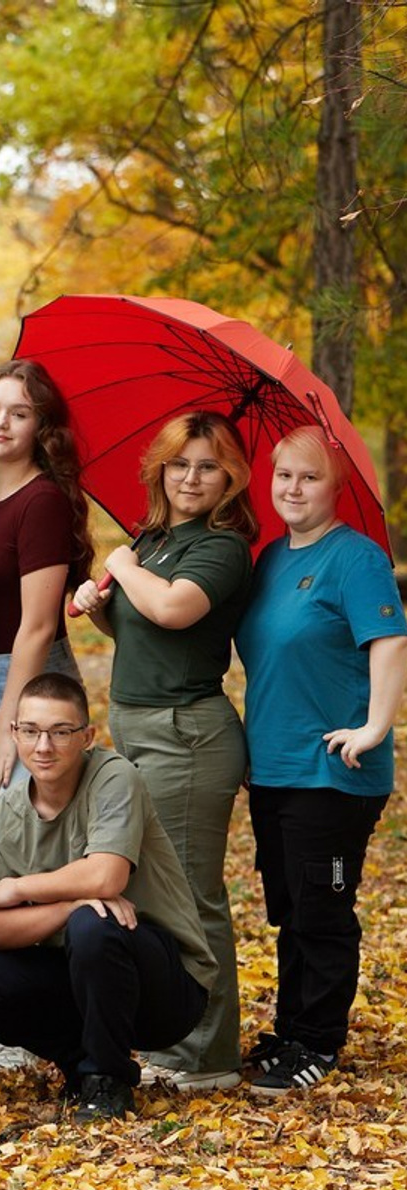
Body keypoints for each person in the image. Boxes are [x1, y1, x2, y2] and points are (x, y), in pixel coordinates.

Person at [71, 410, 257, 1093]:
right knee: (155, 888)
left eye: (207, 466)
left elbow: (175, 612)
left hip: (187, 734)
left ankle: (207, 1057)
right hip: (137, 726)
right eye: (180, 464)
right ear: (160, 469)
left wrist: (117, 562)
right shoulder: (153, 541)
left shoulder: (222, 547)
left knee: (192, 896)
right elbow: (144, 634)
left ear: (228, 478)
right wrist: (96, 603)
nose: (191, 477)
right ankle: (177, 1037)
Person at [0, 673, 217, 1122]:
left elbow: (106, 876)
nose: (43, 746)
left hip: (164, 985)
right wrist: (71, 904)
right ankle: (82, 1068)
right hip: (80, 975)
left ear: (87, 737)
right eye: (29, 731)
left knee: (93, 925)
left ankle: (109, 1080)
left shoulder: (113, 777)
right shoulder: (6, 813)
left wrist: (22, 888)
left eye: (60, 732)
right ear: (14, 733)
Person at [236, 426, 407, 1095]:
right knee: (289, 907)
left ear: (336, 486)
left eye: (309, 478)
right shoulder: (271, 559)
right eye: (284, 476)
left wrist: (374, 727)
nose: (294, 489)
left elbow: (389, 644)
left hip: (333, 770)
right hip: (274, 767)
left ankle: (319, 1041)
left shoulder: (357, 560)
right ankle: (291, 1028)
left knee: (322, 909)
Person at [0, 361, 92, 956]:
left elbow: (35, 628)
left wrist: (10, 732)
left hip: (29, 689)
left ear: (42, 426)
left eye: (19, 411)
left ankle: (11, 1011)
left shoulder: (44, 502)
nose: (1, 421)